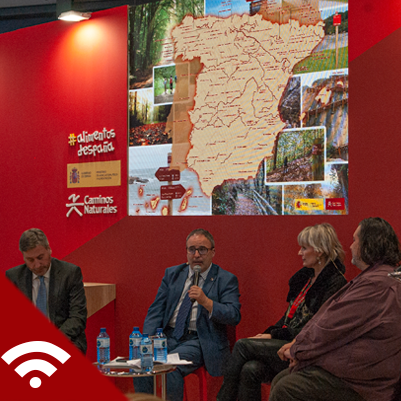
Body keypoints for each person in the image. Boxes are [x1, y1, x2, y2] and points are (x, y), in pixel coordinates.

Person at [270, 217, 401, 401]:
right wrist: (300, 347)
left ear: (368, 245)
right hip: (357, 370)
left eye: (355, 240)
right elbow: (327, 321)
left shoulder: (376, 285)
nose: (350, 246)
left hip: (364, 382)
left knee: (286, 387)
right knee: (280, 378)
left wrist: (298, 349)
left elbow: (331, 327)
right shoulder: (375, 278)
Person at [217, 223, 347, 401]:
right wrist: (269, 333)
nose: (299, 253)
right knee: (251, 368)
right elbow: (289, 317)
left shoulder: (335, 282)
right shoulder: (306, 278)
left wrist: (272, 336)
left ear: (319, 251)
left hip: (304, 348)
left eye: (304, 248)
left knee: (242, 345)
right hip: (287, 340)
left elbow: (315, 327)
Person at [134, 228, 241, 401]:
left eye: (202, 250)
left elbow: (234, 315)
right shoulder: (173, 274)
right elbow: (156, 310)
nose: (196, 254)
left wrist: (206, 301)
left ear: (213, 252)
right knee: (141, 362)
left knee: (170, 367)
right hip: (168, 337)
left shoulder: (225, 279)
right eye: (192, 249)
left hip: (199, 340)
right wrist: (149, 338)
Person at [6, 228, 87, 354]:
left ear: (49, 249)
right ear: (23, 256)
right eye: (30, 260)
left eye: (40, 257)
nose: (37, 265)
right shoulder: (14, 277)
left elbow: (77, 317)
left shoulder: (69, 274)